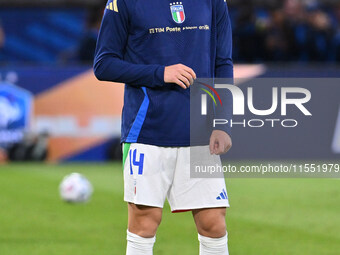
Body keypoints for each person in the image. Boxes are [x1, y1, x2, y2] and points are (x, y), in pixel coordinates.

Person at [94, 0, 233, 254]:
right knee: (145, 223)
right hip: (147, 129)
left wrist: (222, 121)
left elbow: (222, 63)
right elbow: (103, 64)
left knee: (213, 223)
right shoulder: (123, 3)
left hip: (198, 129)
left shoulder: (214, 2)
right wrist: (160, 74)